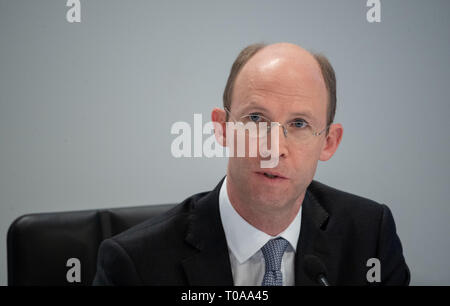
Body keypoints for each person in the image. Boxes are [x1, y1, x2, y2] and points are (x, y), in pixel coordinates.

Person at [92, 42, 410, 286]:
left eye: (299, 123)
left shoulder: (371, 236)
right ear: (222, 128)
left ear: (328, 142)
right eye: (256, 119)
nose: (274, 148)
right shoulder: (134, 264)